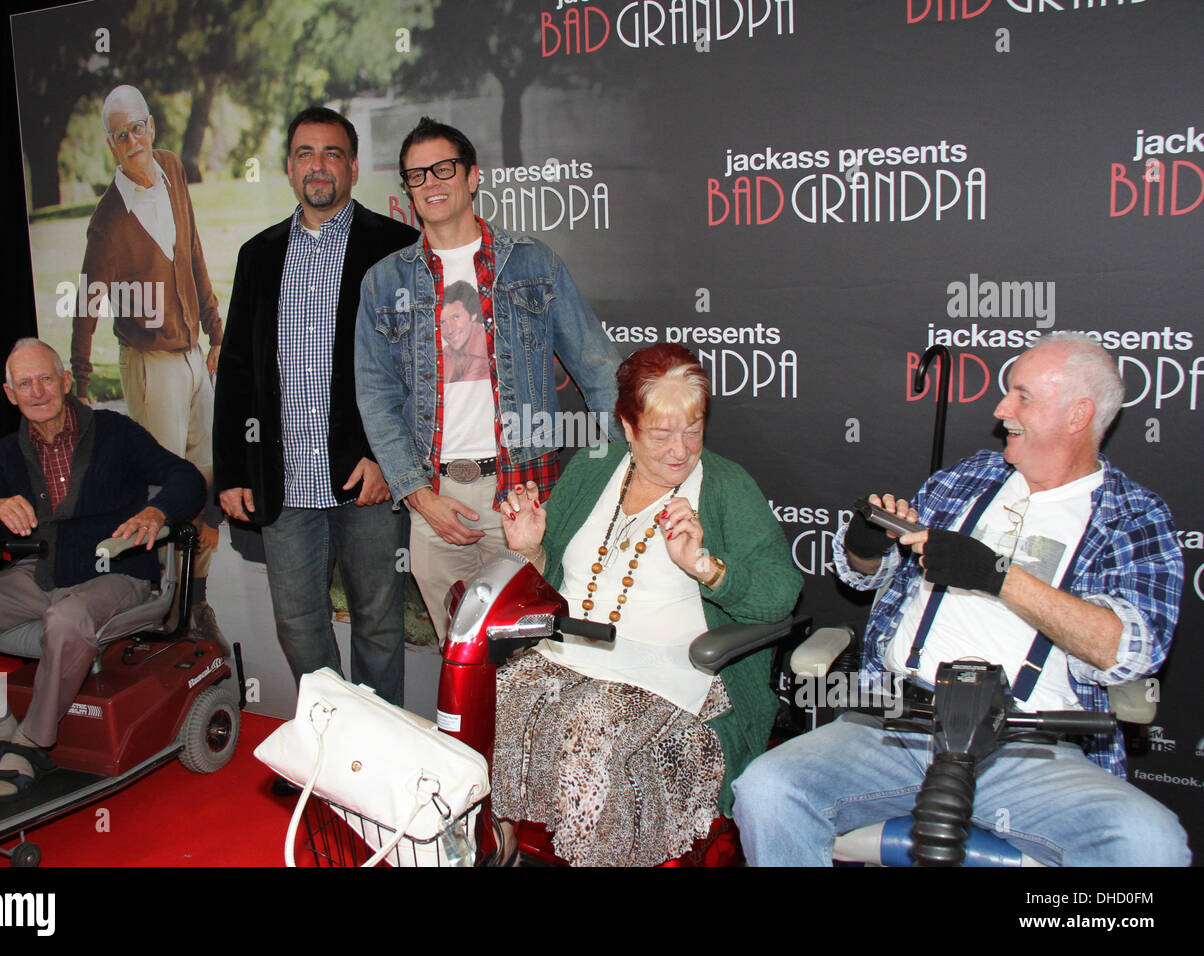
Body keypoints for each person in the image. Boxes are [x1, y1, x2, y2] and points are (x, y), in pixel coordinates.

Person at [733, 332, 1190, 866]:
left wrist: (998, 577)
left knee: (1151, 845)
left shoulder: (1133, 516)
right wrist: (864, 549)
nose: (1000, 410)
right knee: (768, 789)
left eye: (1022, 396)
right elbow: (871, 577)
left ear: (1076, 415)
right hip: (900, 725)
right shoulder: (968, 479)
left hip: (1030, 745)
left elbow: (1132, 650)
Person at [492, 344, 802, 865]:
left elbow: (780, 595)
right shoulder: (594, 466)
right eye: (660, 434)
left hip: (674, 673)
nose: (680, 450)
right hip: (572, 653)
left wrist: (707, 567)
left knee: (592, 730)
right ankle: (499, 847)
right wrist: (532, 550)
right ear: (628, 427)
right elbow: (556, 585)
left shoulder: (726, 487)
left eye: (694, 430)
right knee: (493, 697)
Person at [355, 116, 624, 639]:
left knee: (533, 654)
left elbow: (599, 370)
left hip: (522, 498)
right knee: (462, 660)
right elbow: (376, 398)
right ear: (407, 190)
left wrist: (623, 471)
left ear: (472, 176)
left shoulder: (531, 263)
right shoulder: (384, 282)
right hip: (435, 503)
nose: (431, 183)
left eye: (443, 168)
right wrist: (419, 497)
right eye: (416, 175)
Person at [0, 339, 204, 802]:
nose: (37, 392)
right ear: (9, 394)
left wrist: (156, 514)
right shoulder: (6, 454)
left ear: (66, 382)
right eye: (24, 384)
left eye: (46, 379)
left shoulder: (115, 432)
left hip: (116, 572)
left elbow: (186, 478)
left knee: (66, 618)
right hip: (42, 575)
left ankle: (34, 742)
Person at [214, 107, 419, 704]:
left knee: (379, 625)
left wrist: (390, 458)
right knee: (299, 625)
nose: (318, 166)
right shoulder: (258, 254)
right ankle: (330, 745)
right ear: (289, 167)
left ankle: (380, 757)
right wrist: (230, 472)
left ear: (353, 167)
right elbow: (237, 374)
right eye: (306, 153)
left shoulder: (396, 246)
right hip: (284, 481)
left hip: (366, 479)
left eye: (332, 153)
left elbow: (416, 370)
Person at [69, 84, 224, 646]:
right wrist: (79, 379)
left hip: (191, 357)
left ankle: (194, 601)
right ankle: (157, 609)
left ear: (152, 127)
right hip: (149, 363)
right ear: (110, 146)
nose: (133, 141)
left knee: (204, 476)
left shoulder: (171, 169)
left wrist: (215, 331)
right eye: (120, 135)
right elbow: (88, 300)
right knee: (164, 486)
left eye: (139, 128)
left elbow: (196, 251)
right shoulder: (109, 221)